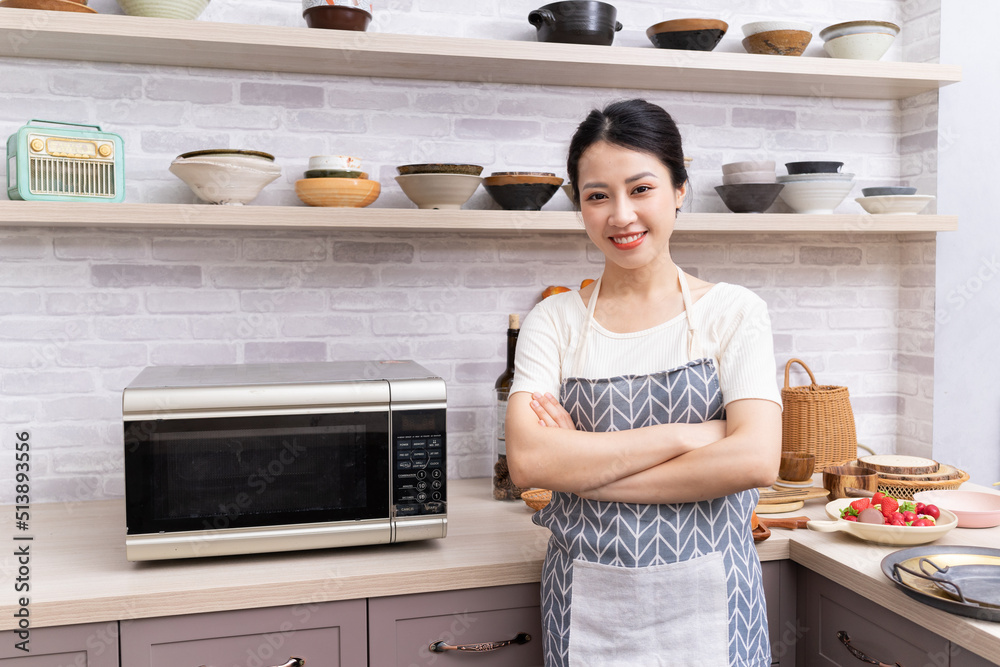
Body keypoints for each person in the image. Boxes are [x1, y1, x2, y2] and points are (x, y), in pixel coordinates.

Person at [505, 98, 783, 667]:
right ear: (579, 205)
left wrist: (584, 474)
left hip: (715, 610)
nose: (621, 216)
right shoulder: (553, 321)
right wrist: (690, 436)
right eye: (597, 195)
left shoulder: (734, 312)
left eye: (641, 189)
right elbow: (530, 465)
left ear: (679, 188)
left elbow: (754, 460)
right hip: (587, 607)